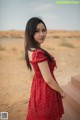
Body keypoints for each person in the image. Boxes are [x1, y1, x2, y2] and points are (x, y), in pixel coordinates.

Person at [25, 17, 66, 120]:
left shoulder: (30, 49)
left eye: (43, 30)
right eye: (37, 31)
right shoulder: (38, 53)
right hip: (45, 89)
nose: (42, 34)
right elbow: (47, 79)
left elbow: (38, 73)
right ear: (30, 33)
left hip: (37, 86)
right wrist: (62, 91)